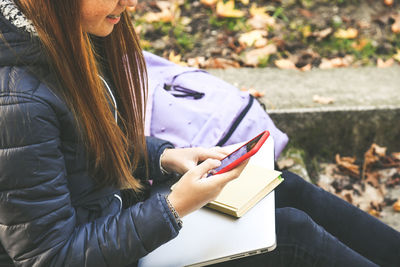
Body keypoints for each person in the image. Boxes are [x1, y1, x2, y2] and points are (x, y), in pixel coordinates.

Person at [0, 1, 399, 267]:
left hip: (117, 214)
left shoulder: (70, 33)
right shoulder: (16, 100)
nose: (133, 3)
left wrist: (163, 156)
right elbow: (47, 256)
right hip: (106, 248)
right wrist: (173, 207)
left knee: (280, 186)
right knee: (291, 233)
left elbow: (80, 148)